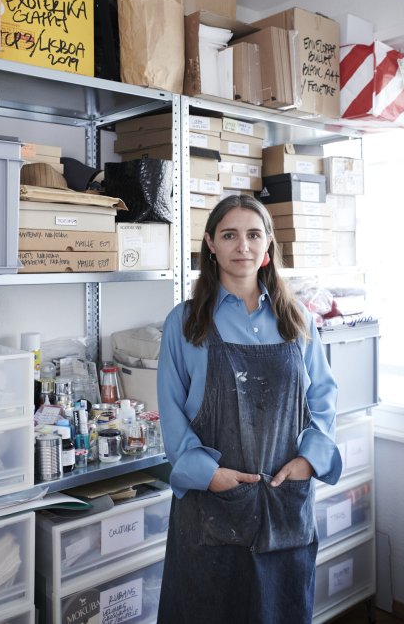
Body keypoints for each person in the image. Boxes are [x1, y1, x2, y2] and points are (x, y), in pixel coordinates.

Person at [156, 194, 342, 624]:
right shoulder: (183, 323)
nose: (243, 246)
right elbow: (172, 413)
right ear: (211, 245)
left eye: (253, 234)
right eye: (230, 235)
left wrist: (309, 461)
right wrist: (210, 476)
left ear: (268, 246)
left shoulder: (297, 319)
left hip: (283, 506)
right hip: (211, 513)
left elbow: (324, 400)